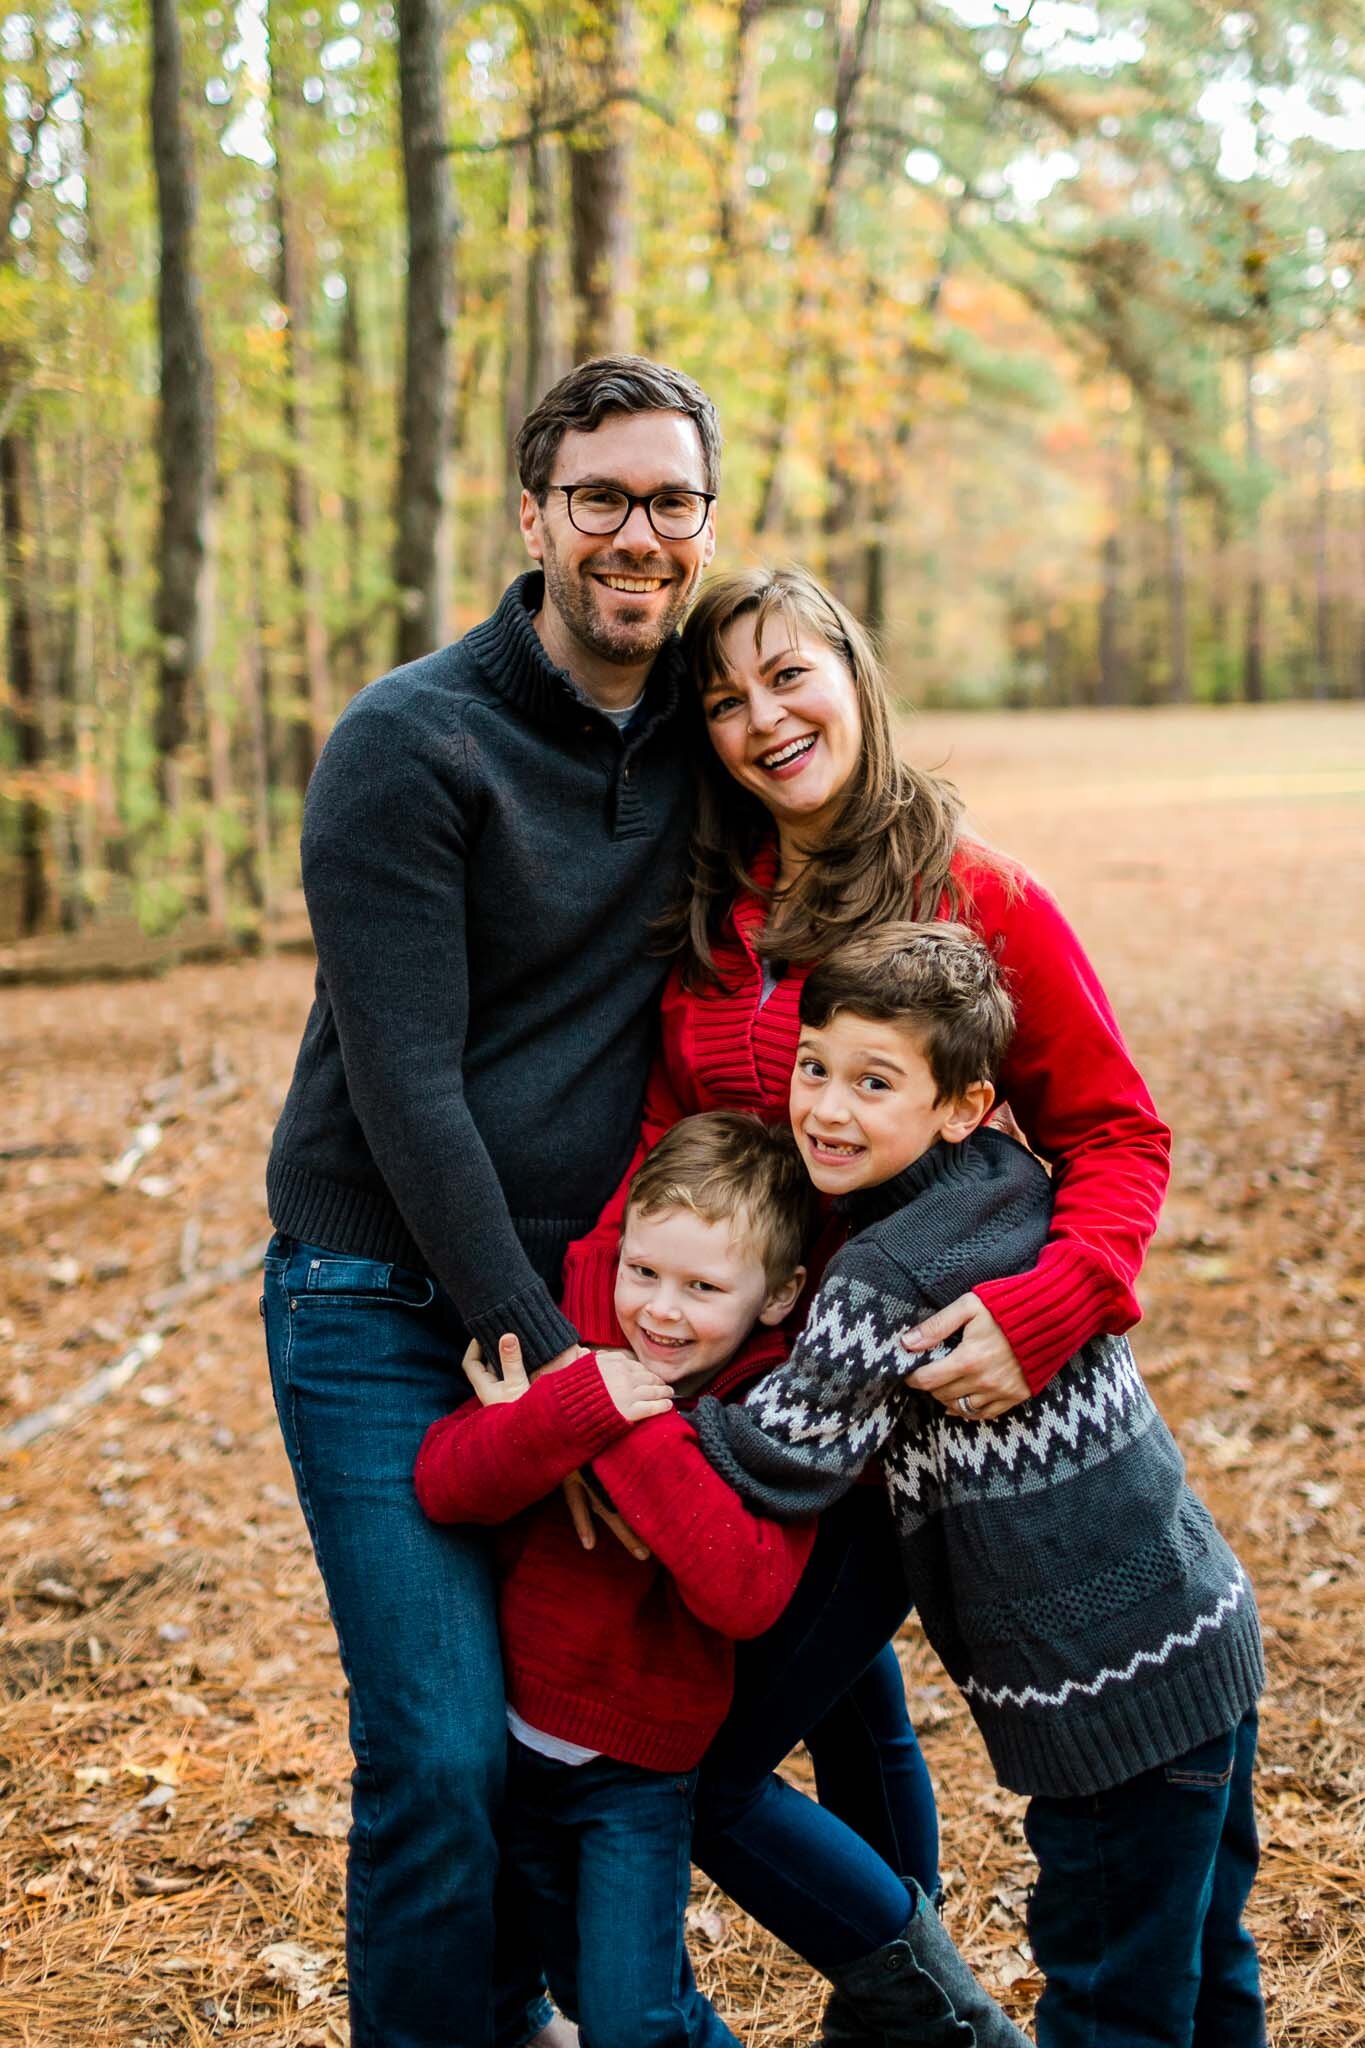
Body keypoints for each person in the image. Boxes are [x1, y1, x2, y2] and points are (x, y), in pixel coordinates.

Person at [559, 565, 1173, 2005]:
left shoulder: (976, 896)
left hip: (897, 1415)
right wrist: (605, 1366)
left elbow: (1114, 1132)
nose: (761, 719)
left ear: (853, 671)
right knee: (843, 1705)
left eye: (788, 676)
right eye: (722, 700)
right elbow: (664, 1150)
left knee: (702, 1758)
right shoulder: (715, 911)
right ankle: (897, 2009)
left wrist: (1050, 1306)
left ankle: (935, 2016)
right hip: (754, 1402)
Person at [261, 355, 722, 2048]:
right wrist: (554, 1375)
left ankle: (517, 2002)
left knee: (587, 1717)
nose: (637, 533)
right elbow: (406, 1088)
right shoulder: (408, 743)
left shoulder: (708, 724)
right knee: (443, 1750)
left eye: (671, 500)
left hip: (588, 1300)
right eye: (599, 496)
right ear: (533, 519)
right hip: (380, 1298)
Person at [696, 920, 1267, 2048]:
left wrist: (628, 1418)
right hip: (1204, 1635)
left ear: (963, 1104)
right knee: (1206, 1964)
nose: (826, 1108)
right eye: (815, 1065)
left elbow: (784, 1454)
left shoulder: (883, 1270)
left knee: (1112, 2000)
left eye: (874, 1081)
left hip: (1103, 1704)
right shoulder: (1011, 1181)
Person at [415, 1113, 1029, 2048]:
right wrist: (577, 1398)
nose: (660, 1310)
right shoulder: (576, 1365)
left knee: (635, 2022)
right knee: (572, 1996)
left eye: (702, 1288)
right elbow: (446, 1482)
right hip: (510, 1756)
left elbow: (743, 1592)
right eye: (644, 1272)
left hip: (635, 1778)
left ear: (780, 1295)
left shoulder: (761, 1422)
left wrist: (622, 1421)